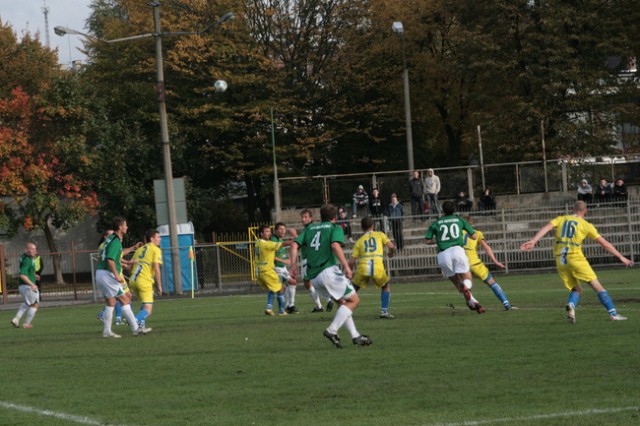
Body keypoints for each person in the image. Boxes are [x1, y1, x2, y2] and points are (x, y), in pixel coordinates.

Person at [520, 201, 631, 323]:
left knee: (577, 289)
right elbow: (604, 244)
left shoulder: (561, 219)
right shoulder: (586, 225)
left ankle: (571, 305)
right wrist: (620, 256)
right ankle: (613, 314)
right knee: (598, 287)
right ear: (586, 211)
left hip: (561, 260)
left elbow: (547, 227)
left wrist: (534, 241)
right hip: (576, 259)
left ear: (573, 209)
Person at [290, 204, 372, 349]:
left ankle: (355, 336)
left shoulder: (310, 229)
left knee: (342, 303)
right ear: (335, 217)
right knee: (354, 300)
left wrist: (293, 266)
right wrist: (346, 266)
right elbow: (335, 245)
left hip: (314, 277)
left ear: (320, 217)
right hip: (327, 272)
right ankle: (332, 330)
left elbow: (294, 245)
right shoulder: (335, 228)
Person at [425, 201, 485, 314]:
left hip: (443, 255)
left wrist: (439, 240)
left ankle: (472, 302)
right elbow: (474, 235)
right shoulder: (459, 220)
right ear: (454, 209)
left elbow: (427, 240)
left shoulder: (436, 223)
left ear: (443, 210)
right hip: (458, 251)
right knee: (467, 279)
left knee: (457, 282)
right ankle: (467, 290)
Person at [95, 217, 151, 338]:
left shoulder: (110, 239)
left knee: (111, 302)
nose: (126, 227)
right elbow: (110, 260)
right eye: (125, 225)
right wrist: (116, 275)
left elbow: (113, 257)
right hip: (107, 274)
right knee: (125, 300)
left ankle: (106, 331)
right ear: (120, 227)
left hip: (100, 273)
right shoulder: (115, 241)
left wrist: (127, 263)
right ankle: (136, 328)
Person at [462, 215, 515, 310]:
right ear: (471, 223)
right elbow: (486, 247)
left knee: (465, 287)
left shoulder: (456, 235)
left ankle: (471, 302)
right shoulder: (477, 233)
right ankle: (506, 304)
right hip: (475, 264)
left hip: (462, 265)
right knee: (492, 283)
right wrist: (495, 261)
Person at [349, 216, 396, 318]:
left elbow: (352, 260)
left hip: (363, 267)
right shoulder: (380, 235)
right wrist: (391, 253)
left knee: (352, 289)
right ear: (372, 225)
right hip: (377, 266)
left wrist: (348, 271)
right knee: (385, 286)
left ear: (362, 227)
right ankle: (384, 312)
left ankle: (345, 310)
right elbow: (392, 246)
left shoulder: (359, 241)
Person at [299, 209, 333, 313]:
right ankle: (327, 301)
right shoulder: (316, 228)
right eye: (302, 217)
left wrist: (295, 238)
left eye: (305, 217)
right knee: (315, 282)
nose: (303, 219)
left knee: (308, 283)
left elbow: (300, 242)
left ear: (311, 218)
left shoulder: (307, 230)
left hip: (307, 259)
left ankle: (321, 305)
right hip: (315, 258)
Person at [129, 229, 163, 329]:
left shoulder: (139, 249)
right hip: (144, 281)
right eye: (158, 237)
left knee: (144, 304)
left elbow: (130, 266)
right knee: (148, 310)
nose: (159, 239)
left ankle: (141, 325)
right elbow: (156, 268)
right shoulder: (156, 250)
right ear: (152, 239)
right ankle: (134, 321)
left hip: (133, 280)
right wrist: (159, 285)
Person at [255, 224, 291, 316]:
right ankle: (281, 310)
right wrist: (295, 241)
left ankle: (270, 308)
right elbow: (282, 244)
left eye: (269, 231)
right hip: (266, 271)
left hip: (259, 271)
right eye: (266, 231)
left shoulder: (258, 242)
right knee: (281, 288)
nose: (269, 233)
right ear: (261, 234)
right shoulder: (267, 244)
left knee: (273, 288)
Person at [271, 222, 299, 314]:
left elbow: (282, 250)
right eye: (280, 229)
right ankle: (290, 306)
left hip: (282, 268)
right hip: (277, 268)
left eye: (284, 229)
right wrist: (285, 261)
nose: (283, 231)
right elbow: (271, 256)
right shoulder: (273, 240)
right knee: (292, 282)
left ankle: (287, 306)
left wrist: (287, 260)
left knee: (287, 285)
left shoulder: (280, 240)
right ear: (275, 230)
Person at [11, 242, 40, 329]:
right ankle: (26, 324)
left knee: (27, 303)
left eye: (35, 249)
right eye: (32, 249)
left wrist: (33, 275)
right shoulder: (27, 260)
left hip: (22, 286)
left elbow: (26, 271)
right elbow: (22, 275)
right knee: (35, 304)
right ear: (26, 250)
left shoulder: (24, 257)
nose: (34, 251)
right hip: (27, 286)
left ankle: (16, 319)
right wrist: (32, 284)